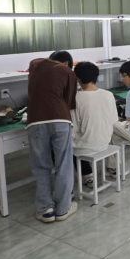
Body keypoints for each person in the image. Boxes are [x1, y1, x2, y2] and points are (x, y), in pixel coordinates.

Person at [27, 51, 78, 223]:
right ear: (67, 63)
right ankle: (63, 208)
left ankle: (45, 210)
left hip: (35, 121)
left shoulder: (35, 66)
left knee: (41, 166)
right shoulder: (68, 72)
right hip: (60, 119)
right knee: (64, 164)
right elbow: (69, 102)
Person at [71, 62, 118, 188]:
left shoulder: (76, 98)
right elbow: (114, 120)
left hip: (86, 147)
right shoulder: (108, 94)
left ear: (77, 79)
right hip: (105, 142)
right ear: (96, 77)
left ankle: (87, 176)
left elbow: (74, 129)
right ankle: (89, 175)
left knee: (63, 145)